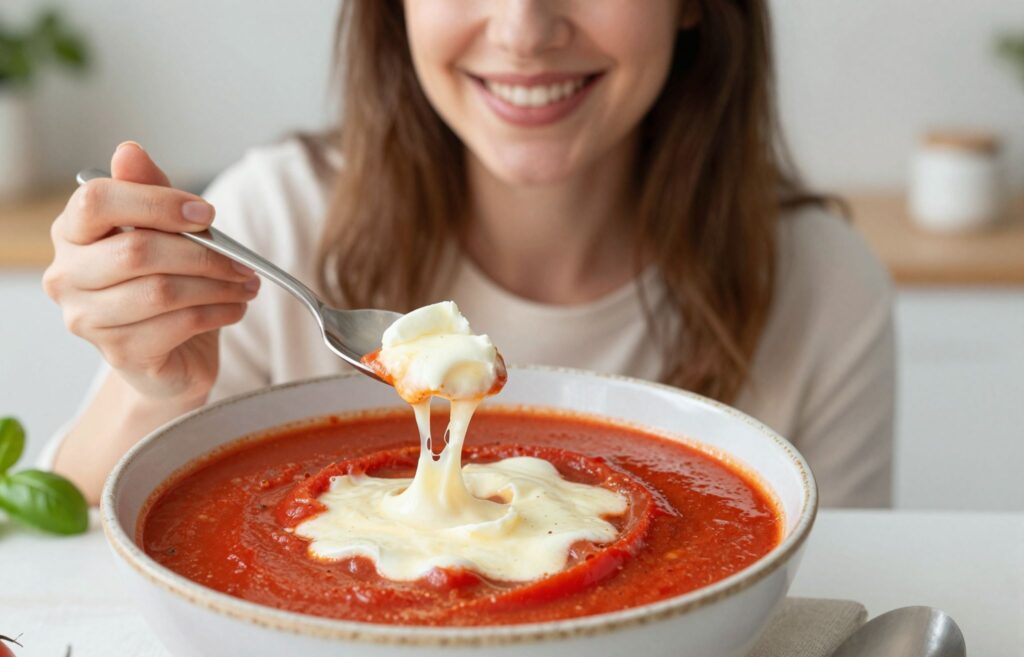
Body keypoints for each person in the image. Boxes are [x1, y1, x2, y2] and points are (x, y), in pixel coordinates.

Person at [42, 0, 894, 509]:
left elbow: (819, 619)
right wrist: (151, 390)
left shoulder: (822, 285)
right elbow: (67, 534)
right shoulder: (272, 221)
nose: (524, 30)